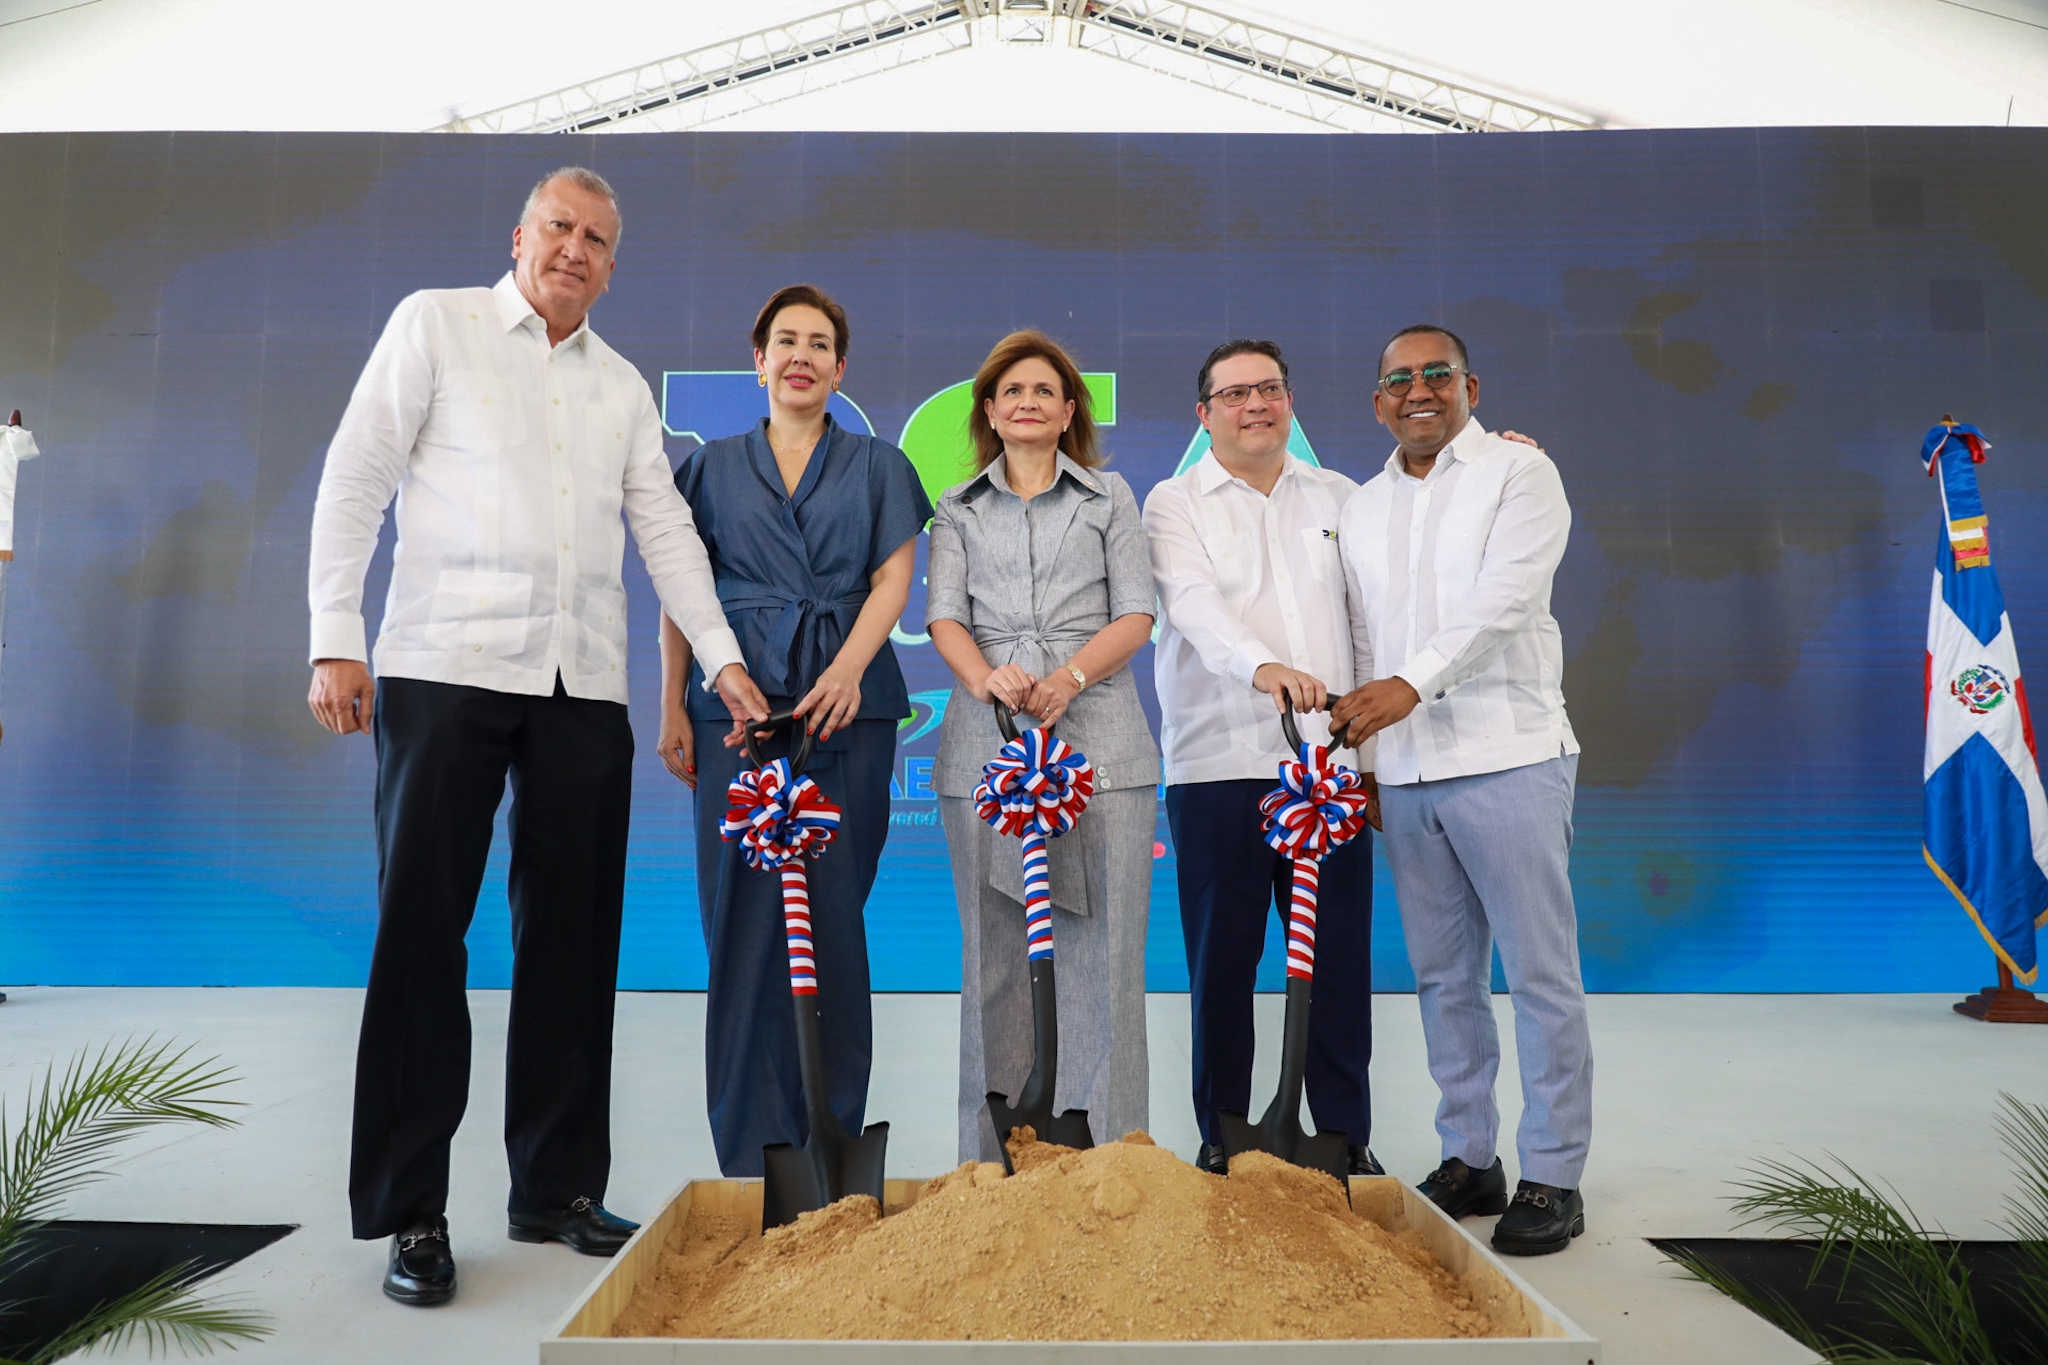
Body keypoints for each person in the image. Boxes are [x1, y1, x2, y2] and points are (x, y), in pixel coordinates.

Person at [307, 167, 769, 1307]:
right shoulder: (436, 323)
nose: (575, 248)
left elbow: (666, 532)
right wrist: (334, 636)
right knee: (423, 932)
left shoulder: (620, 386)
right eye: (559, 227)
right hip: (442, 664)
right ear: (519, 236)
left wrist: (721, 660)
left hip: (582, 684)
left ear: (612, 266)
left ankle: (556, 1186)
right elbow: (358, 474)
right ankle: (412, 1210)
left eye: (597, 239)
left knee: (574, 938)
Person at [655, 284, 931, 1177]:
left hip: (849, 707)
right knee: (741, 927)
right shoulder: (706, 469)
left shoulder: (881, 465)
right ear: (759, 360)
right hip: (731, 707)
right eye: (786, 340)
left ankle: (830, 1141)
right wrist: (672, 701)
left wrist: (846, 669)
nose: (801, 355)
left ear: (840, 368)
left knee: (834, 919)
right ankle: (751, 1156)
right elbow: (682, 593)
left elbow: (894, 581)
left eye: (818, 343)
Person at [1330, 323, 1591, 1257]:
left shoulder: (1521, 474)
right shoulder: (1362, 507)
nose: (1419, 390)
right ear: (1378, 403)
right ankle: (1470, 1155)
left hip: (1508, 753)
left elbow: (1506, 600)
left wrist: (1411, 685)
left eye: (1437, 373)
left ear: (1470, 387)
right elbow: (1364, 640)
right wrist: (1365, 764)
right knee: (1445, 978)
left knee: (1539, 974)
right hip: (1404, 774)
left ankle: (1554, 1171)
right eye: (1399, 378)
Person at [1142, 339, 1381, 1179]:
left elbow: (1365, 627)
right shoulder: (1174, 502)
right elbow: (1194, 607)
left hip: (1328, 772)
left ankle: (1343, 1134)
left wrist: (1367, 756)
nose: (1256, 405)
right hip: (1219, 766)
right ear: (1204, 413)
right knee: (1224, 963)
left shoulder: (1343, 497)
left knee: (1338, 960)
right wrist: (1263, 666)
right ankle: (1225, 1132)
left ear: (1290, 401)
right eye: (1235, 393)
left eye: (1270, 389)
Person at [926, 330, 1159, 1163]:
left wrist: (1068, 677)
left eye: (1045, 391)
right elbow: (944, 616)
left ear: (1068, 414)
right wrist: (985, 677)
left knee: (1106, 953)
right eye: (1012, 391)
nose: (1028, 402)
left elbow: (1136, 612)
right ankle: (991, 1161)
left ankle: (1108, 1157)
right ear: (990, 412)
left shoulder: (1110, 497)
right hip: (983, 746)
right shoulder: (956, 506)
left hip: (1103, 746)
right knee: (992, 952)